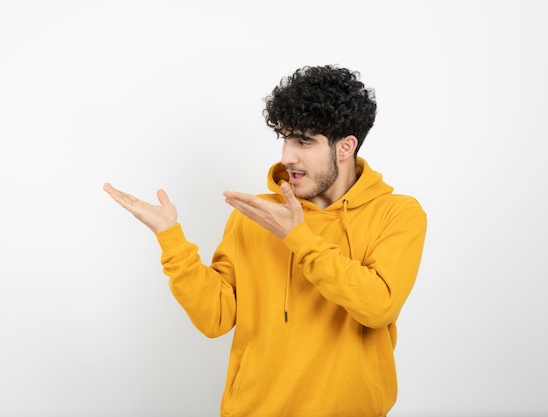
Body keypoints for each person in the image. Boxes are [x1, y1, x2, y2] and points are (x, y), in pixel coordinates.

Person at [103, 65, 427, 417]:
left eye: (304, 141)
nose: (288, 156)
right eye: (286, 138)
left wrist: (297, 236)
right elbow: (215, 318)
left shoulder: (398, 213)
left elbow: (378, 307)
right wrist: (171, 238)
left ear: (346, 146)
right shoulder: (255, 215)